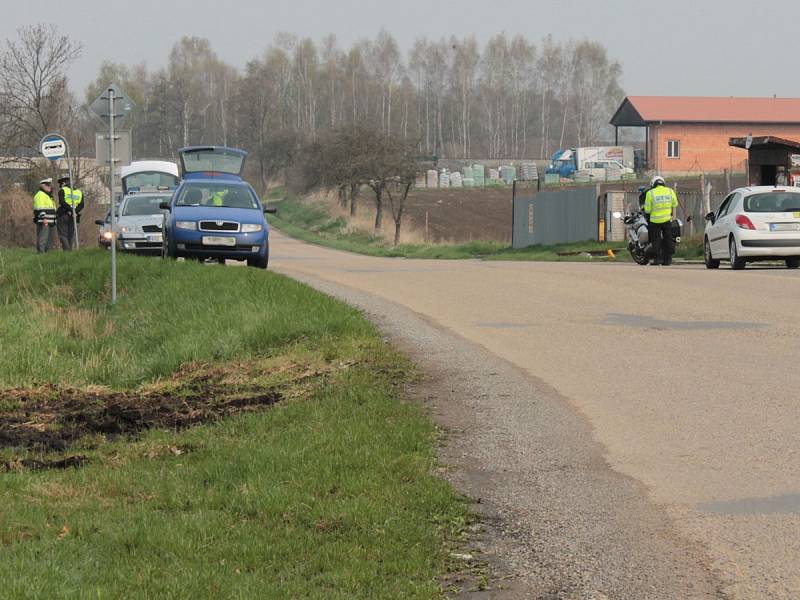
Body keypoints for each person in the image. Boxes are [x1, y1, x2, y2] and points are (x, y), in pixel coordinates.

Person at [643, 175, 678, 266]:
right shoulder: (670, 191)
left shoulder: (650, 193)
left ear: (653, 184)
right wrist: (673, 218)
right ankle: (668, 259)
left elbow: (647, 210)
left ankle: (657, 259)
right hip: (667, 220)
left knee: (656, 241)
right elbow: (674, 205)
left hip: (654, 221)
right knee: (668, 239)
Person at [56, 175, 84, 251]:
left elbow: (62, 202)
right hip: (74, 216)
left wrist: (70, 210)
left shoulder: (63, 190)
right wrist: (74, 211)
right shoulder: (79, 192)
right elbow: (82, 205)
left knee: (62, 234)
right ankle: (70, 250)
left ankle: (67, 250)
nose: (60, 186)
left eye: (61, 184)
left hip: (64, 214)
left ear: (64, 183)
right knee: (70, 235)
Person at [32, 178, 57, 253]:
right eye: (47, 185)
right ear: (42, 186)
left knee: (49, 239)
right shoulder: (40, 195)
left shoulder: (48, 196)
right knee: (42, 238)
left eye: (50, 185)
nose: (50, 187)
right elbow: (40, 208)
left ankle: (46, 254)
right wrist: (44, 218)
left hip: (51, 221)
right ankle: (40, 253)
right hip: (44, 221)